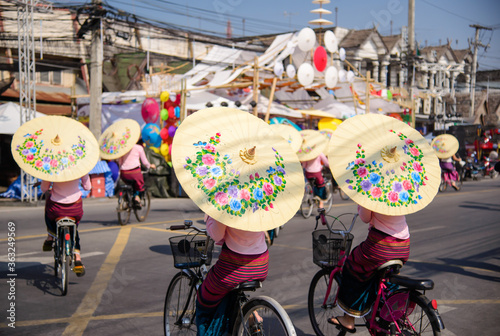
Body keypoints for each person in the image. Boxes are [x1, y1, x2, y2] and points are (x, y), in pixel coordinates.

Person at [328, 205, 410, 333]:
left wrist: (361, 206)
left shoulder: (373, 194)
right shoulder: (397, 191)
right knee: (387, 276)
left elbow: (365, 218)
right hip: (403, 247)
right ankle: (386, 313)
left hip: (382, 245)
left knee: (353, 265)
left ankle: (349, 319)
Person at [196, 214, 269, 335]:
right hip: (261, 265)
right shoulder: (259, 199)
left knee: (204, 299)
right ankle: (248, 312)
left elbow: (216, 235)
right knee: (228, 287)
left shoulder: (227, 204)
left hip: (233, 267)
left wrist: (210, 217)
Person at [41, 174, 91, 277]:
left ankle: (50, 237)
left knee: (48, 211)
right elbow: (88, 187)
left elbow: (44, 189)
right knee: (74, 228)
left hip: (57, 209)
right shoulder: (79, 167)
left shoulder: (52, 167)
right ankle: (77, 258)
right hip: (75, 209)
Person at [118, 139, 156, 206]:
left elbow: (120, 162)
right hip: (135, 172)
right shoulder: (139, 148)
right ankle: (137, 198)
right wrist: (150, 166)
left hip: (124, 173)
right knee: (140, 185)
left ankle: (127, 198)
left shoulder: (123, 149)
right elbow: (145, 162)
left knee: (128, 184)